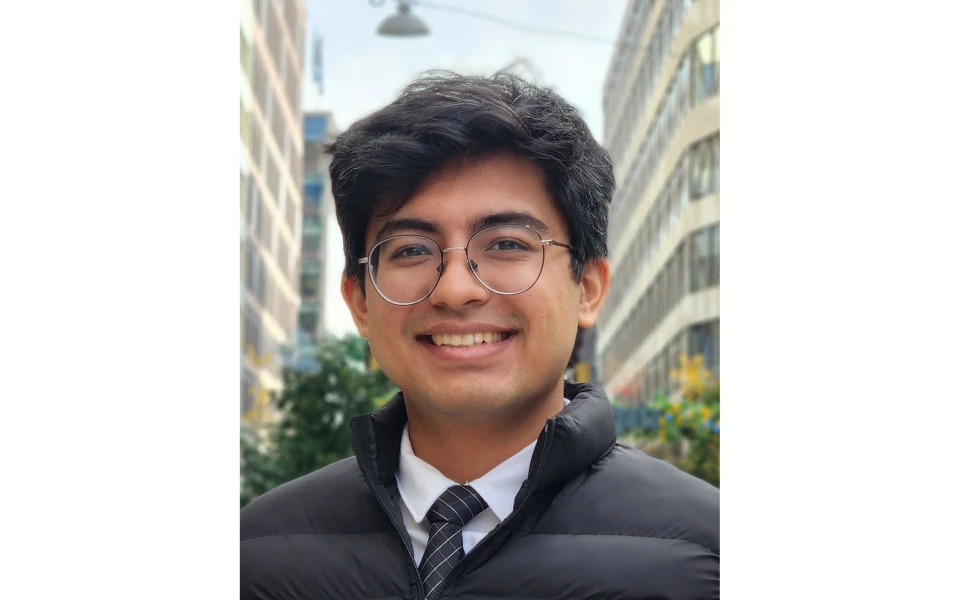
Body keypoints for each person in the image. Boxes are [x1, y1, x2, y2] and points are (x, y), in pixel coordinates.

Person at [240, 71, 719, 600]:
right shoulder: (255, 555)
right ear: (360, 302)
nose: (456, 289)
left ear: (587, 287)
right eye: (411, 250)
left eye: (507, 244)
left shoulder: (707, 556)